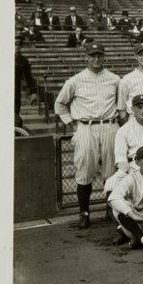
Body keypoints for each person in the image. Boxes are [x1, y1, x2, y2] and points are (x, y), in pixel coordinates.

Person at [53, 43, 120, 228]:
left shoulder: (115, 79)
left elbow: (121, 104)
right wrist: (72, 123)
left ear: (104, 57)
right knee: (84, 171)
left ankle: (112, 210)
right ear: (86, 57)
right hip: (86, 127)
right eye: (93, 55)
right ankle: (84, 213)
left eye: (99, 55)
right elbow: (59, 104)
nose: (96, 59)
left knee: (111, 172)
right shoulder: (75, 80)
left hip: (109, 125)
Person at [15, 50, 38, 128]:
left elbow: (29, 77)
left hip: (15, 94)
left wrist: (33, 92)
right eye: (15, 44)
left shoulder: (22, 60)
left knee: (15, 119)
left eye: (19, 44)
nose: (17, 47)